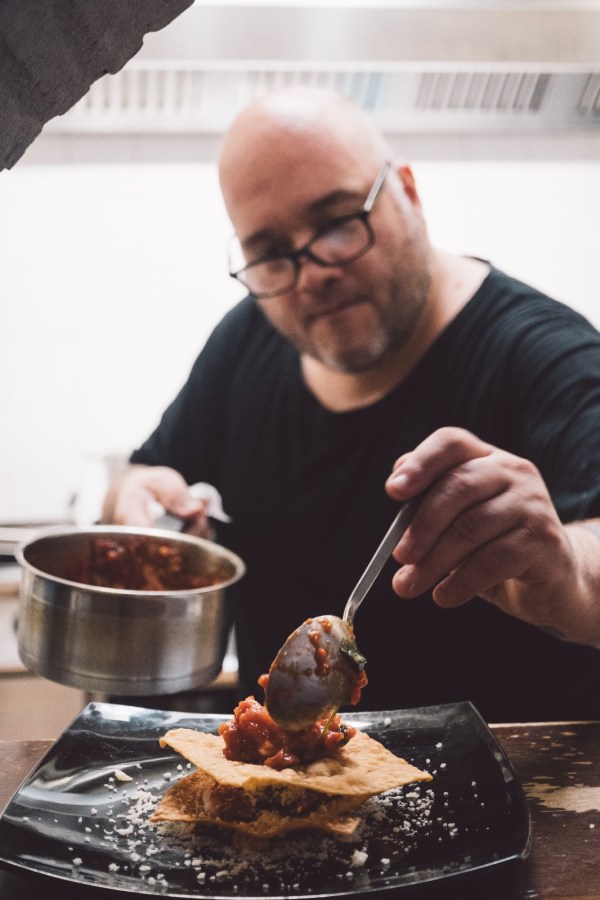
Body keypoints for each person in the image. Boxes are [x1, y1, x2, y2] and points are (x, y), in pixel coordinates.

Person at [103, 86, 600, 723]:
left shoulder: (543, 354)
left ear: (410, 194)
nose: (311, 273)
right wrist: (142, 507)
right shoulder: (247, 338)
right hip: (282, 788)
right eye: (270, 253)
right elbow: (145, 474)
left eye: (338, 223)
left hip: (507, 804)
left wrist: (565, 573)